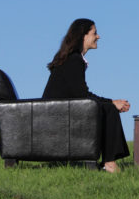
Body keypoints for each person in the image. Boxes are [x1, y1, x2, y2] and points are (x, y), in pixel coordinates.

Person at [43, 18, 131, 173]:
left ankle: (108, 162)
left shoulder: (72, 58)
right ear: (83, 36)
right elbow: (83, 96)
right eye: (94, 33)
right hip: (60, 115)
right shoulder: (74, 60)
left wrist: (111, 102)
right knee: (109, 109)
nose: (98, 36)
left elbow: (80, 95)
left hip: (62, 111)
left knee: (108, 107)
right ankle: (109, 163)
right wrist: (111, 102)